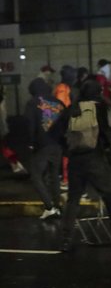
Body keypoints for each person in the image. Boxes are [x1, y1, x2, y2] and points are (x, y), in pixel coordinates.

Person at [61, 77, 111, 252]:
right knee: (109, 196)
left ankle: (65, 239)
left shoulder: (71, 109)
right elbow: (109, 131)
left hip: (75, 161)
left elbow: (60, 134)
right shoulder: (100, 108)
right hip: (95, 158)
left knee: (73, 200)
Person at [24, 77, 66, 219]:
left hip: (42, 146)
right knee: (54, 177)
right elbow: (65, 123)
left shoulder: (32, 103)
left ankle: (49, 207)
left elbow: (30, 125)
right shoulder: (59, 103)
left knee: (36, 176)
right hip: (58, 145)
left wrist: (30, 143)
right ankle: (57, 206)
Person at [54, 65, 77, 191]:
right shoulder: (62, 88)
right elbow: (61, 107)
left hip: (64, 124)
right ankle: (65, 179)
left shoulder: (64, 87)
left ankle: (63, 176)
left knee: (65, 152)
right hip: (63, 125)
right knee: (66, 152)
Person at [0, 84, 26, 174]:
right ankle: (15, 164)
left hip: (1, 129)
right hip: (2, 130)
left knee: (4, 149)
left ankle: (16, 164)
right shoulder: (2, 103)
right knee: (4, 148)